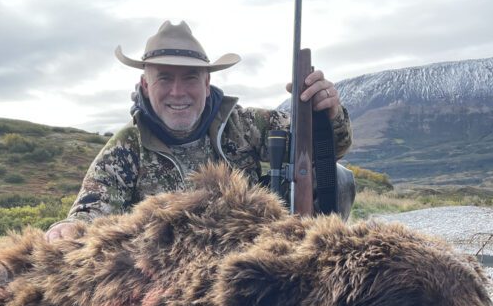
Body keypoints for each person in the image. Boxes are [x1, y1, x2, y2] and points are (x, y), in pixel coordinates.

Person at [45, 21, 354, 240]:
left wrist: (327, 114)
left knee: (339, 177)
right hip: (170, 280)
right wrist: (69, 229)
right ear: (145, 84)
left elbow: (330, 150)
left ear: (207, 84)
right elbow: (90, 212)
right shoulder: (124, 149)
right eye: (164, 78)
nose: (178, 92)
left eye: (190, 78)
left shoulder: (245, 125)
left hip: (254, 261)